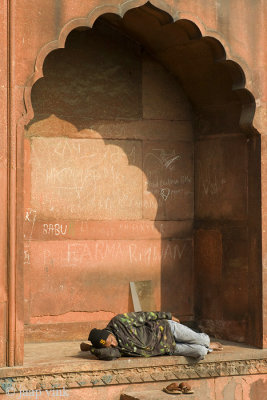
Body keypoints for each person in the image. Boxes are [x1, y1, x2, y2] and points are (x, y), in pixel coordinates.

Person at [81, 311, 222, 361]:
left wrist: (167, 315)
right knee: (200, 352)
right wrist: (91, 349)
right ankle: (206, 347)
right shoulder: (116, 350)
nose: (113, 344)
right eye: (109, 345)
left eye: (110, 340)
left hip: (167, 329)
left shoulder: (119, 322)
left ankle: (207, 343)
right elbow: (108, 355)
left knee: (203, 340)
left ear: (109, 333)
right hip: (167, 347)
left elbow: (144, 315)